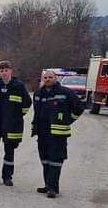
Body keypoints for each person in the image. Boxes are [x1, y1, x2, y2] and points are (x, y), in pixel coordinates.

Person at [32, 69, 84, 198]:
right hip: (42, 132)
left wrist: (69, 120)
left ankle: (53, 188)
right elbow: (36, 112)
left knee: (55, 160)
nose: (48, 79)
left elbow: (79, 107)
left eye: (50, 77)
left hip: (58, 133)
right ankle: (48, 185)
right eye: (46, 77)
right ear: (43, 79)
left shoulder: (65, 92)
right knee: (45, 159)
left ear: (56, 78)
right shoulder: (38, 93)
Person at [0, 61, 33, 186]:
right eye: (1, 71)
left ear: (11, 71)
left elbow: (27, 103)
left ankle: (7, 177)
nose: (4, 73)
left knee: (9, 151)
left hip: (11, 125)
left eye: (6, 70)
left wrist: (17, 116)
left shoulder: (18, 86)